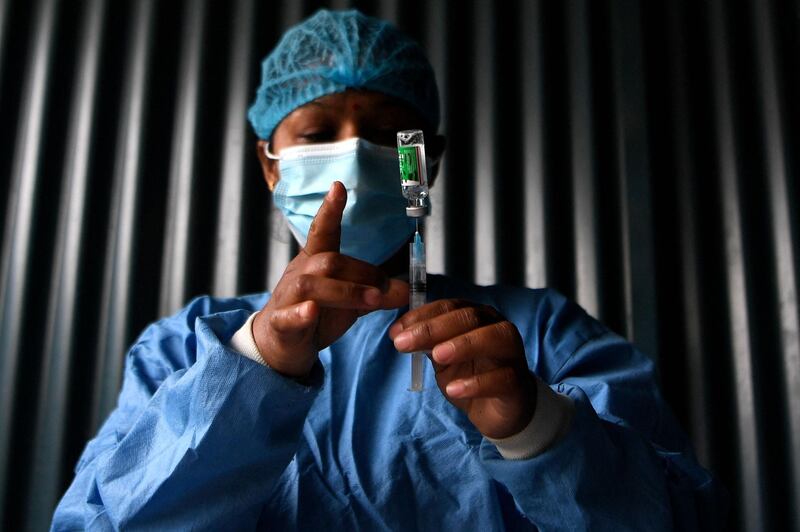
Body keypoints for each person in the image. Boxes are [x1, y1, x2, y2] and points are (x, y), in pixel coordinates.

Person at [51, 9, 725, 531]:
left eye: (388, 136)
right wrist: (252, 364)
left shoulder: (538, 334)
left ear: (425, 163)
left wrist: (538, 428)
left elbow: (681, 518)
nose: (354, 158)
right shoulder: (189, 346)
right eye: (316, 136)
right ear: (269, 163)